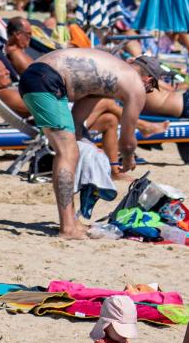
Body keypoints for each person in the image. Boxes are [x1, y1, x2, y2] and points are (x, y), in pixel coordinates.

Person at [17, 48, 164, 239]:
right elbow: (127, 142)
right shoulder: (135, 84)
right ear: (148, 80)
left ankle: (71, 221)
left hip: (37, 76)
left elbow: (77, 123)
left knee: (72, 151)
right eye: (152, 88)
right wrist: (127, 160)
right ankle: (67, 228)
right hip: (47, 80)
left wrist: (94, 155)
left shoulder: (104, 76)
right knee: (67, 152)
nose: (149, 92)